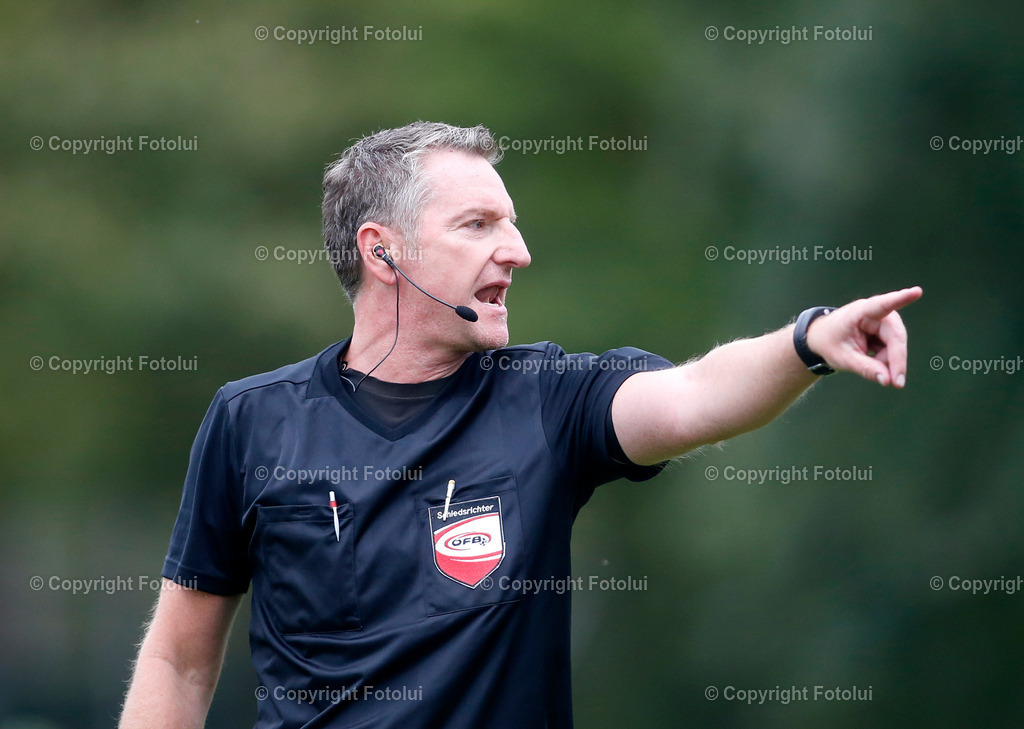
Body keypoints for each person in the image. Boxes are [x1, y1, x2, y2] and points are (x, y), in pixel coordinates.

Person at [118, 121, 922, 728]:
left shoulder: (549, 399)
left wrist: (808, 340)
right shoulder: (250, 420)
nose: (518, 250)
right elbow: (180, 658)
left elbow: (694, 397)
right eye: (479, 224)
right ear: (382, 251)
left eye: (512, 223)